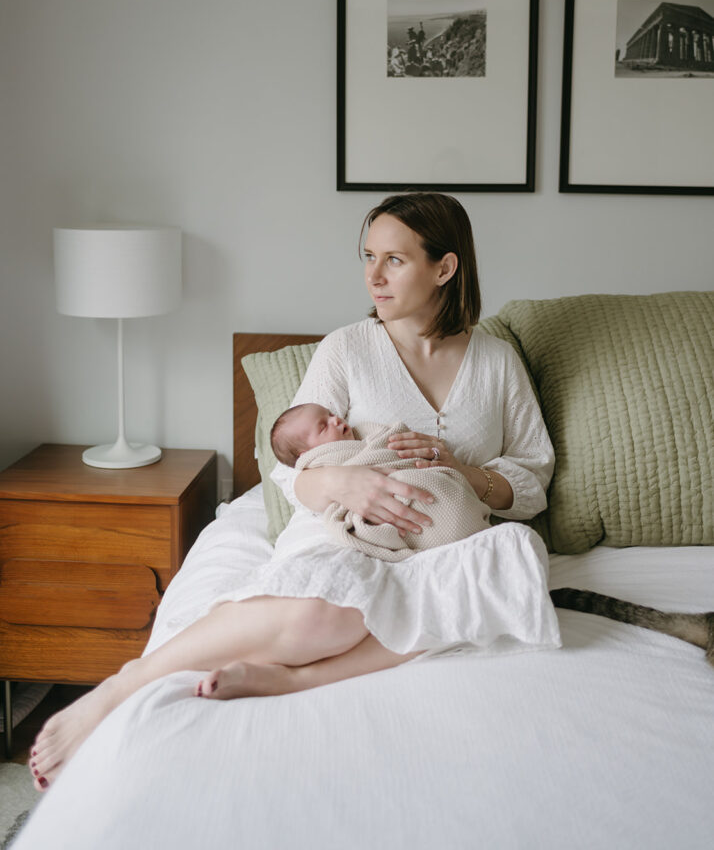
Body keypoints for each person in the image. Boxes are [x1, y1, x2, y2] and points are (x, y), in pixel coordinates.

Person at [28, 192, 559, 793]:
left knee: (512, 570)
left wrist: (465, 473)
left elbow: (531, 475)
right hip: (348, 531)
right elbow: (294, 462)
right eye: (368, 256)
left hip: (444, 541)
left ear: (445, 268)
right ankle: (124, 686)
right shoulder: (347, 349)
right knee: (321, 617)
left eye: (395, 260)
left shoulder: (497, 361)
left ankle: (293, 680)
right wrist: (343, 480)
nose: (373, 276)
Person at [270, 402, 491, 559]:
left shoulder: (368, 434)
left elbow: (391, 443)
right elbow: (300, 485)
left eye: (330, 414)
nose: (335, 419)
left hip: (434, 484)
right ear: (306, 454)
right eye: (323, 426)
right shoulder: (320, 464)